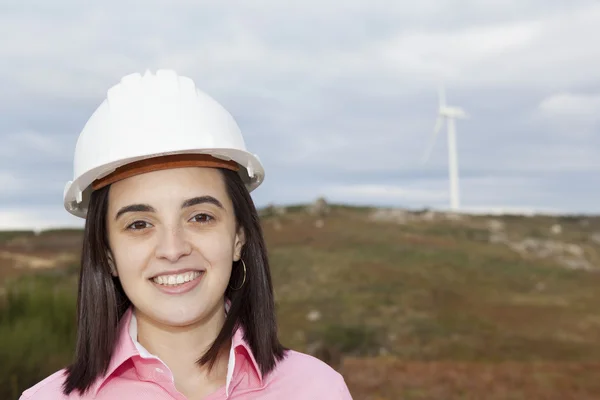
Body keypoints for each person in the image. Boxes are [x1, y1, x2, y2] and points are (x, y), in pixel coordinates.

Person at [20, 69, 353, 399]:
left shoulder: (318, 388)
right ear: (107, 253)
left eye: (200, 217)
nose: (173, 248)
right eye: (139, 224)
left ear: (238, 236)